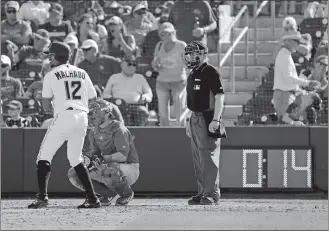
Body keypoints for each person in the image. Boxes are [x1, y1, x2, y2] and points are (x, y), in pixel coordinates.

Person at [27, 41, 101, 209]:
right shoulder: (82, 72)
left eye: (51, 55)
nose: (49, 58)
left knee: (44, 156)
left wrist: (55, 103)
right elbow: (94, 98)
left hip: (64, 116)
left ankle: (42, 197)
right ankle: (92, 198)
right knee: (75, 159)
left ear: (57, 56)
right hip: (82, 117)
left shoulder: (51, 74)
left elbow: (46, 106)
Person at [68, 99, 139, 206]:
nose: (92, 114)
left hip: (129, 168)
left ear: (106, 112)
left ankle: (126, 193)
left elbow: (122, 156)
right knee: (75, 173)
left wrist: (102, 159)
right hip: (106, 166)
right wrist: (89, 158)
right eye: (90, 112)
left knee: (111, 167)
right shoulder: (94, 131)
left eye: (96, 111)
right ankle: (108, 195)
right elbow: (96, 153)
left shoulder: (119, 129)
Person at [184, 41, 225, 205]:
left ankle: (212, 194)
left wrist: (216, 119)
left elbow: (219, 96)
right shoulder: (193, 73)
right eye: (188, 54)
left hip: (208, 116)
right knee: (198, 158)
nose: (189, 57)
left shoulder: (211, 71)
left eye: (193, 54)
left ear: (202, 54)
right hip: (195, 117)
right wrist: (189, 120)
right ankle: (202, 192)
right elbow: (193, 100)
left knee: (208, 156)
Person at [272, 30, 321, 123]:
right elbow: (288, 78)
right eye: (297, 41)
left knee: (287, 123)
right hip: (284, 95)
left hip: (286, 94)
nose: (298, 44)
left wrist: (301, 90)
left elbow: (288, 80)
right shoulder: (284, 56)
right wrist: (307, 83)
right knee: (285, 123)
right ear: (288, 41)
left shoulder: (286, 55)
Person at [151, 22, 187, 126]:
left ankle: (180, 130)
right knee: (162, 110)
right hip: (162, 81)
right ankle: (165, 131)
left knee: (179, 106)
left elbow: (188, 63)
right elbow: (154, 64)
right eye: (163, 34)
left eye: (169, 33)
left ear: (174, 32)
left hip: (179, 81)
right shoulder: (159, 45)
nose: (166, 36)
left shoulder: (182, 45)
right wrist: (155, 64)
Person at [103, 55, 152, 126]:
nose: (132, 66)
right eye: (129, 64)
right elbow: (106, 93)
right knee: (112, 114)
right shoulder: (114, 77)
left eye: (134, 64)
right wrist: (112, 101)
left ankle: (138, 133)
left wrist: (145, 97)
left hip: (136, 106)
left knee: (143, 112)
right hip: (118, 107)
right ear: (122, 65)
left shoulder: (140, 78)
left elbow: (148, 92)